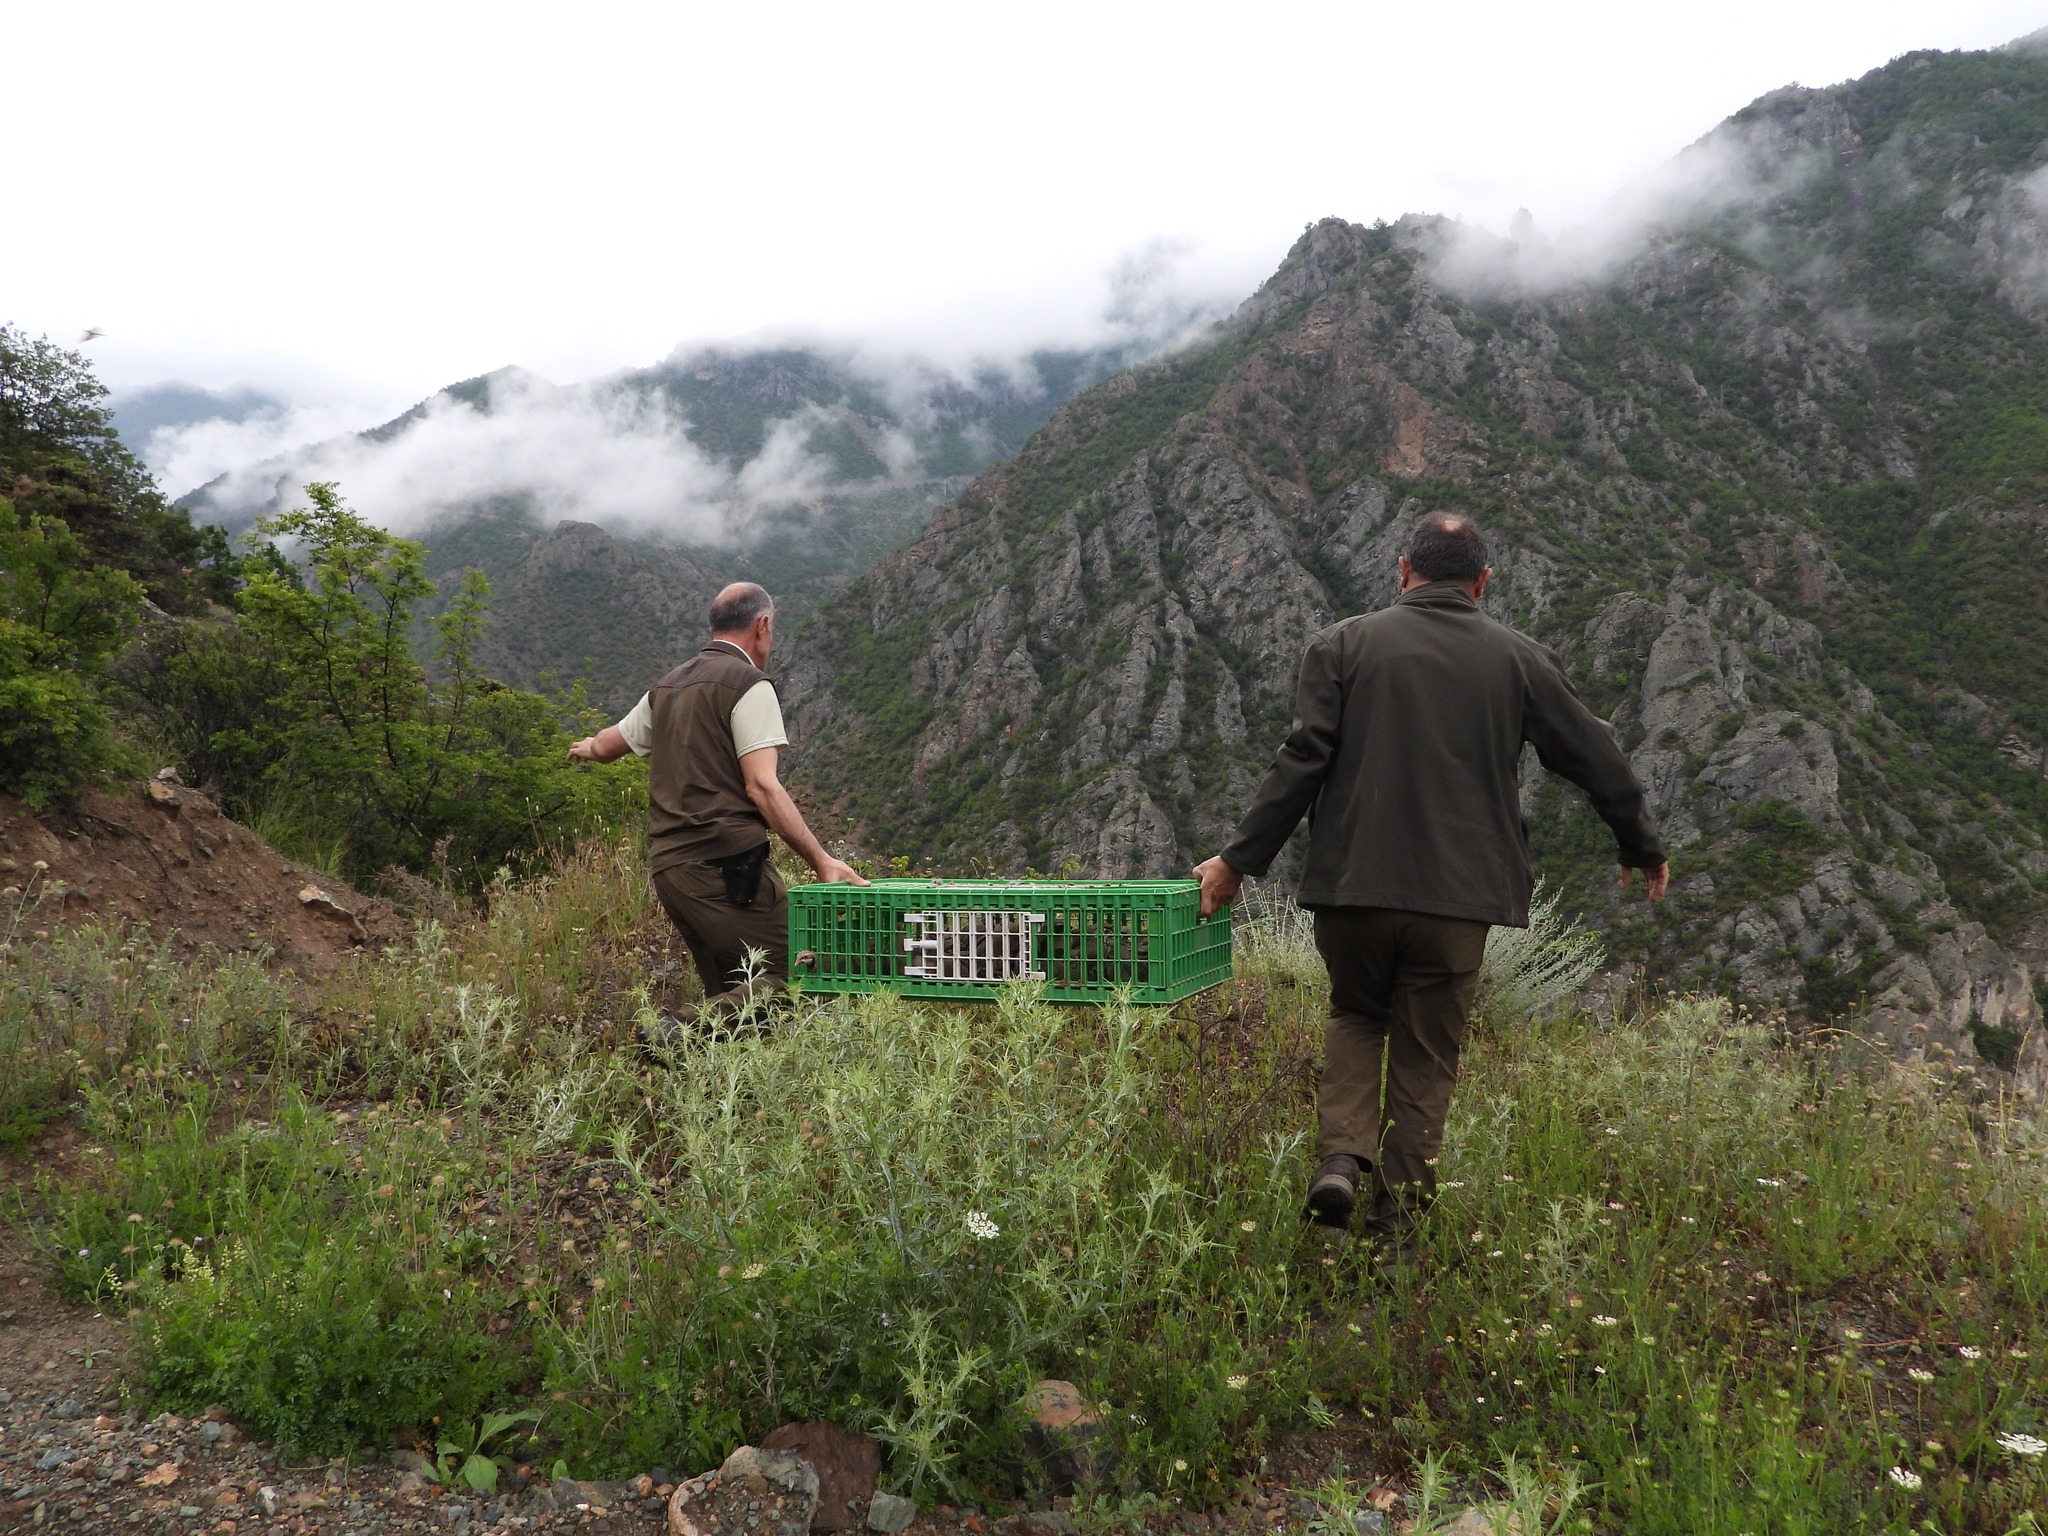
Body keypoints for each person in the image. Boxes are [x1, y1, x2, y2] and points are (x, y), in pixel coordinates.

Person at [1194, 512, 1668, 1267]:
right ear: (1481, 583)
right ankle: (1398, 1240)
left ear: (1403, 569)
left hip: (1353, 890)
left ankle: (1341, 1161)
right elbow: (1595, 755)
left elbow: (1300, 762)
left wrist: (1236, 862)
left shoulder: (1342, 646)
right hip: (1457, 901)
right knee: (1425, 1057)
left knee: (1355, 1014)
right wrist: (1639, 843)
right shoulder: (1520, 660)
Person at [570, 582, 866, 1025]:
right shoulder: (749, 684)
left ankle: (719, 1087)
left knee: (737, 996)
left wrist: (586, 746)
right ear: (762, 626)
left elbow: (610, 745)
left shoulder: (667, 687)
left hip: (672, 873)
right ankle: (677, 1034)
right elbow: (762, 786)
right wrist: (822, 860)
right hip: (728, 871)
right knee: (811, 967)